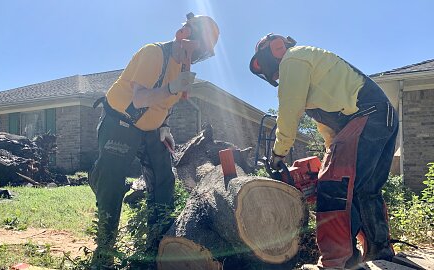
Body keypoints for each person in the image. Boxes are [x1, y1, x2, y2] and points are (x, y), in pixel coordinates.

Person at [249, 34, 398, 269]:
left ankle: (338, 260)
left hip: (365, 116)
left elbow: (289, 110)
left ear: (274, 51)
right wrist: (331, 153)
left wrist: (279, 153)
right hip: (383, 116)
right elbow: (328, 127)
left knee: (333, 187)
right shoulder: (312, 62)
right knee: (365, 189)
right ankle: (380, 250)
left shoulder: (292, 60)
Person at [89, 13, 219, 268]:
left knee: (163, 180)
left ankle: (156, 245)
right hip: (121, 122)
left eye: (200, 55)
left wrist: (165, 127)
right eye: (196, 50)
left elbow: (166, 105)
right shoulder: (153, 54)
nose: (194, 58)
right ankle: (104, 251)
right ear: (184, 35)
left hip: (151, 129)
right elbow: (139, 99)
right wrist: (171, 88)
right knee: (112, 183)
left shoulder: (181, 67)